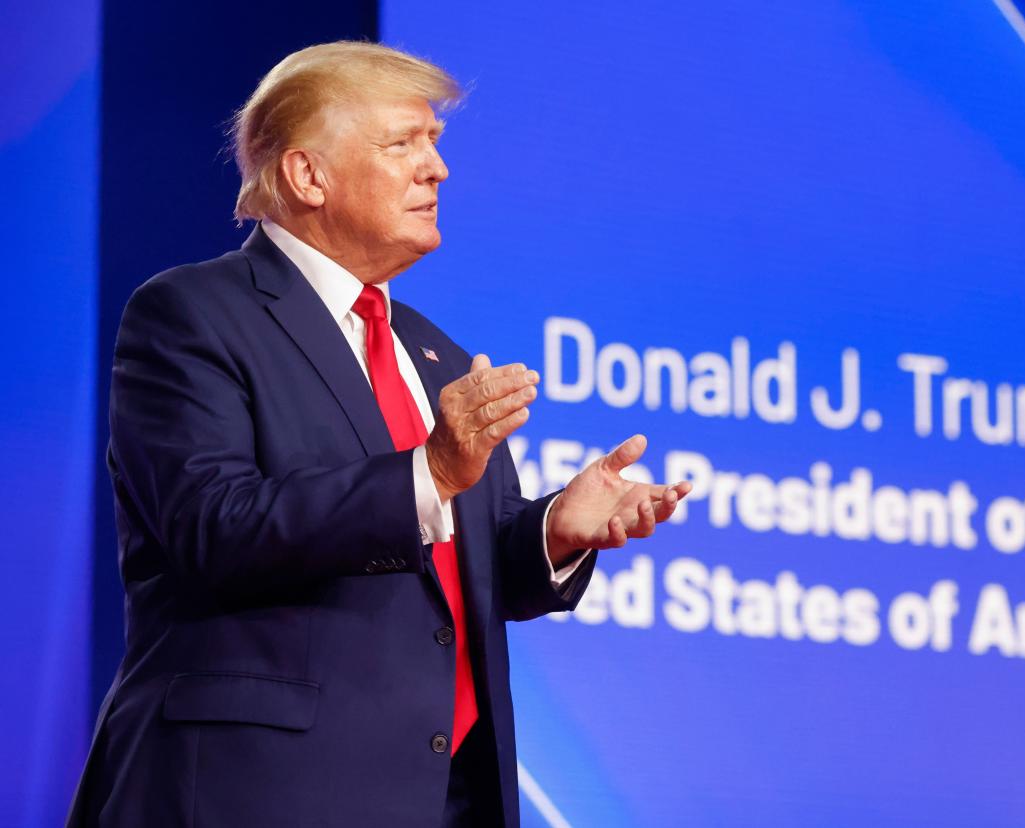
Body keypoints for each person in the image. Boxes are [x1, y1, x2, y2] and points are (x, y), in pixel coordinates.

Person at [67, 41, 690, 828]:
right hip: (256, 791)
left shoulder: (432, 352)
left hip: (438, 798)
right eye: (404, 143)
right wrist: (427, 470)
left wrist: (552, 535)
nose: (438, 170)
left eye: (434, 143)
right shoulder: (194, 314)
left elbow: (449, 571)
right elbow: (211, 528)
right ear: (306, 175)